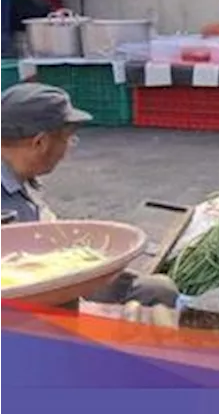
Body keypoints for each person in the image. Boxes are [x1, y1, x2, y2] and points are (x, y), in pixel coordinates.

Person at [0, 83, 178, 308]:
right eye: (67, 139)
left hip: (54, 281)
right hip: (27, 306)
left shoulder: (20, 178)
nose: (67, 151)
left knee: (156, 290)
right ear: (40, 142)